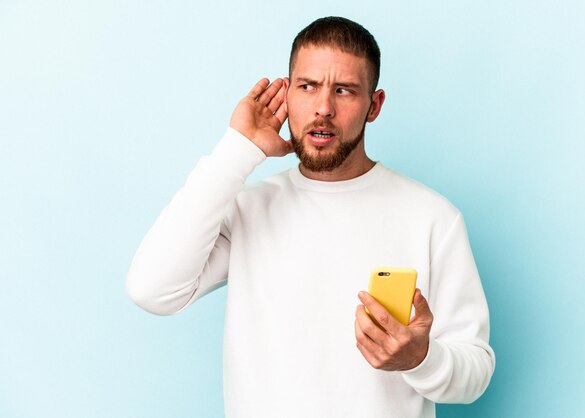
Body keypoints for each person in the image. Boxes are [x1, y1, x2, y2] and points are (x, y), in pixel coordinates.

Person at [126, 16, 495, 418]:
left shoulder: (432, 218)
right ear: (287, 95)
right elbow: (152, 289)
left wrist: (420, 358)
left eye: (344, 90)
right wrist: (237, 150)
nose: (323, 108)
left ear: (374, 105)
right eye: (308, 86)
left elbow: (475, 371)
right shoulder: (250, 208)